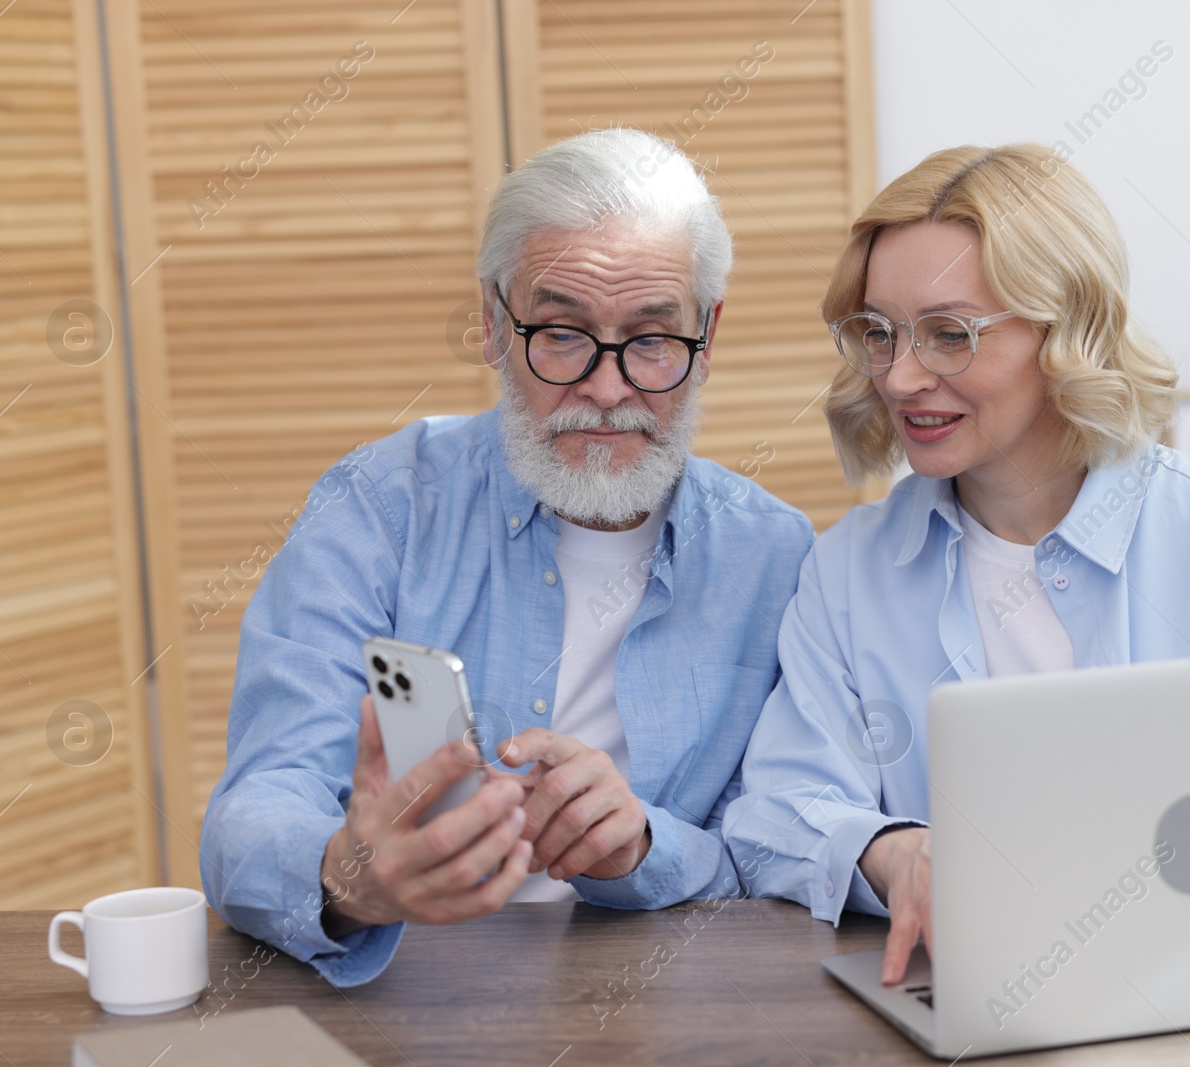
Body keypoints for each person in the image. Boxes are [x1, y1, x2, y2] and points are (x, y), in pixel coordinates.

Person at [722, 143, 1190, 987]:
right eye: (879, 334)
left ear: (1070, 329)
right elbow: (772, 814)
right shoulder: (845, 575)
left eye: (950, 334)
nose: (901, 376)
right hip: (960, 1009)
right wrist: (892, 850)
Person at [201, 127, 813, 987]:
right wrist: (349, 876)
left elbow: (786, 853)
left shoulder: (777, 558)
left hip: (665, 1007)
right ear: (493, 324)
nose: (607, 390)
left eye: (650, 340)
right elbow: (253, 810)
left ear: (706, 336)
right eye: (561, 334)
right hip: (407, 1001)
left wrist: (643, 845)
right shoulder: (381, 509)